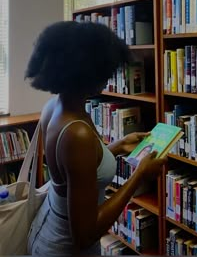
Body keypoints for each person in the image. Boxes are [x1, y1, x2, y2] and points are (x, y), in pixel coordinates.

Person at [25, 21, 166, 256]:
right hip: (65, 248)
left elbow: (76, 170)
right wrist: (139, 174)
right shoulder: (76, 132)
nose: (109, 78)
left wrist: (118, 146)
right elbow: (85, 235)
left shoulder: (55, 107)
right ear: (88, 72)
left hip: (47, 228)